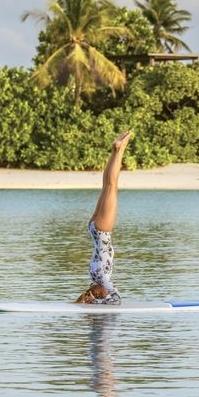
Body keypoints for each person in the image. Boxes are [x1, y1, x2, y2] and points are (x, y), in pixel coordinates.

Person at [76, 131, 132, 305]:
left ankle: (118, 149)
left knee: (111, 185)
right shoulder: (93, 276)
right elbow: (103, 295)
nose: (105, 292)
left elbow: (116, 301)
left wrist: (96, 303)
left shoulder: (101, 277)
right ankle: (117, 150)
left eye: (101, 293)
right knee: (107, 185)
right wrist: (92, 300)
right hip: (94, 229)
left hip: (102, 231)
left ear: (96, 290)